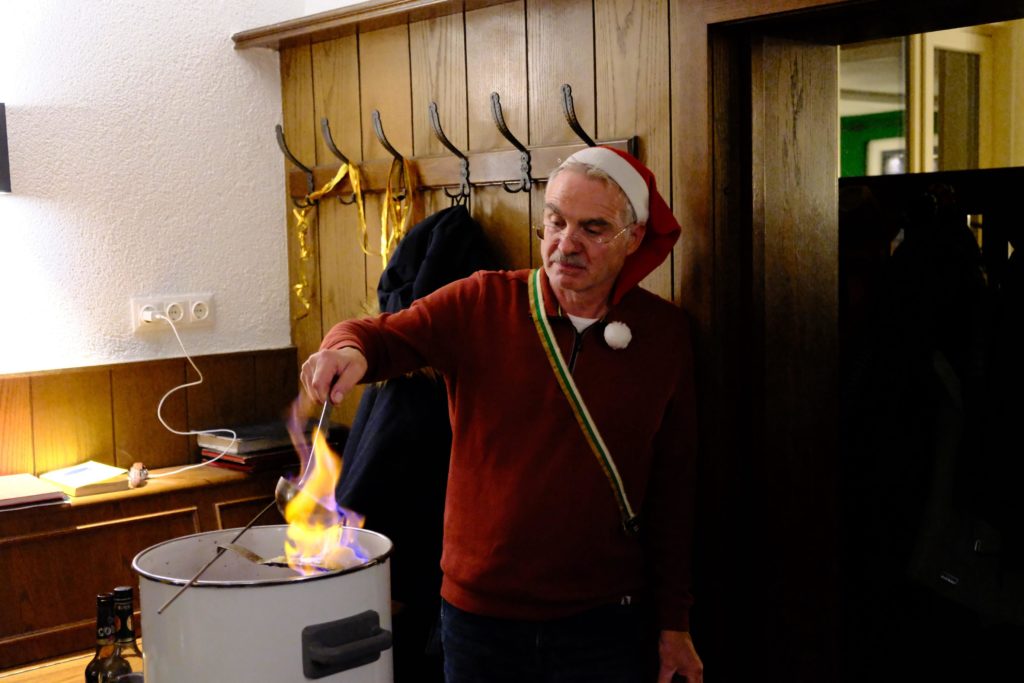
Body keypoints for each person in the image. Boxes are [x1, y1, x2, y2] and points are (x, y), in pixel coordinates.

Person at [301, 146, 703, 683]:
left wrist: (674, 625)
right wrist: (345, 350)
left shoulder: (666, 337)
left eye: (593, 227)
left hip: (606, 621)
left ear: (633, 237)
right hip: (478, 621)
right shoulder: (483, 301)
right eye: (555, 221)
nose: (566, 243)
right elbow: (381, 334)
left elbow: (675, 492)